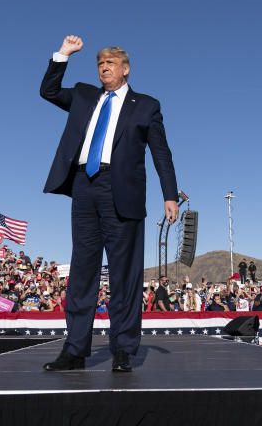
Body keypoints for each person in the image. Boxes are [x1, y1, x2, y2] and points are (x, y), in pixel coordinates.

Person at [40, 36, 178, 373]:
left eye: (111, 63)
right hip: (85, 188)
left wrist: (170, 194)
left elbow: (161, 152)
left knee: (124, 275)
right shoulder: (85, 95)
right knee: (82, 272)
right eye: (100, 64)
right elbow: (49, 92)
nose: (104, 68)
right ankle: (74, 350)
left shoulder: (146, 105)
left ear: (126, 70)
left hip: (123, 193)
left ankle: (123, 349)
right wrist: (63, 55)